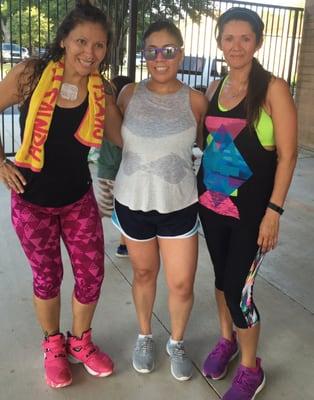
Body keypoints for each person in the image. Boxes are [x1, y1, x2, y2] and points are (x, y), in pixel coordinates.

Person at [0, 0, 121, 389]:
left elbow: (120, 137)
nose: (90, 52)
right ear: (65, 40)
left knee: (91, 275)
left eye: (99, 46)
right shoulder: (31, 74)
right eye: (82, 41)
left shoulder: (101, 88)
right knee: (47, 277)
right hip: (31, 200)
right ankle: (54, 345)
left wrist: (143, 96)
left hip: (77, 199)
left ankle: (80, 343)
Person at [197, 7, 297, 399]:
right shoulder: (213, 88)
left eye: (245, 38)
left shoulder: (273, 88)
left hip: (253, 213)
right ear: (219, 41)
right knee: (222, 281)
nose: (235, 46)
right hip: (213, 205)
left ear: (257, 42)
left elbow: (287, 156)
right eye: (228, 38)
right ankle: (228, 341)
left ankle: (251, 369)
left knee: (240, 289)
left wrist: (274, 213)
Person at [112, 20, 207, 381]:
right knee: (143, 273)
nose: (160, 58)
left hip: (180, 205)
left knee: (182, 283)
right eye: (152, 51)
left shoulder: (196, 100)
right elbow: (120, 140)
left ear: (180, 54)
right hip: (133, 202)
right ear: (144, 55)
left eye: (168, 50)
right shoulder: (129, 95)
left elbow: (206, 148)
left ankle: (177, 342)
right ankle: (145, 335)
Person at [97, 75, 132, 258]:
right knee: (124, 210)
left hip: (104, 171)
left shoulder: (103, 113)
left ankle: (90, 231)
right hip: (118, 174)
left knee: (104, 208)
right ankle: (123, 246)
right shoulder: (123, 119)